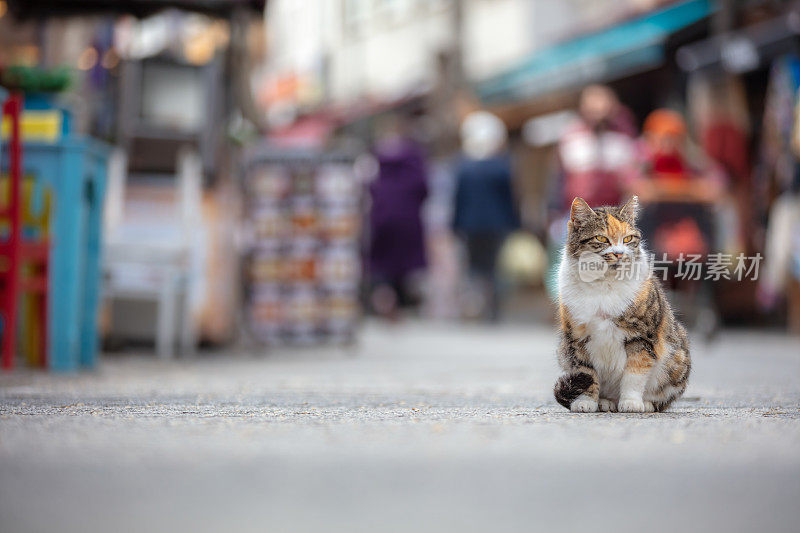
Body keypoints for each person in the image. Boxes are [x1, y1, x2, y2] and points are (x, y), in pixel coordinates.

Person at [452, 111, 519, 321]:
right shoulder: (501, 166)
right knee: (494, 267)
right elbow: (510, 199)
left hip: (469, 225)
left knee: (473, 267)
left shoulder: (463, 167)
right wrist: (516, 223)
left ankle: (474, 306)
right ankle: (493, 309)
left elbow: (458, 199)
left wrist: (454, 225)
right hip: (497, 225)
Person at [367, 114, 429, 318]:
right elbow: (423, 189)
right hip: (409, 219)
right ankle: (400, 305)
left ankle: (384, 299)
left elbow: (366, 188)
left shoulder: (374, 159)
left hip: (381, 217)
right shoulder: (414, 158)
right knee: (404, 264)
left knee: (383, 263)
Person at [549, 85, 638, 217]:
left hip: (613, 214)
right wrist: (553, 210)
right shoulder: (571, 135)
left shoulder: (622, 137)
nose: (598, 111)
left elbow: (631, 178)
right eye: (593, 106)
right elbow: (559, 177)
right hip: (578, 214)